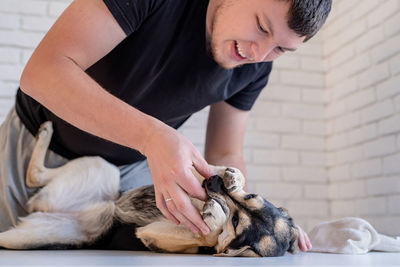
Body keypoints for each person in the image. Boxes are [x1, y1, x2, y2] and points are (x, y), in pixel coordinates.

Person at [0, 0, 331, 251]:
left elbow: (225, 151)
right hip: (34, 144)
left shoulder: (256, 69)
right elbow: (42, 73)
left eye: (281, 50)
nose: (259, 53)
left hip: (130, 173)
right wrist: (150, 136)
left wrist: (265, 221)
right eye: (261, 26)